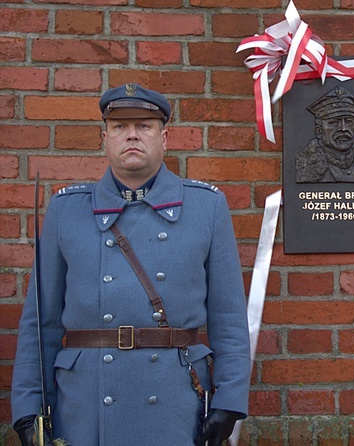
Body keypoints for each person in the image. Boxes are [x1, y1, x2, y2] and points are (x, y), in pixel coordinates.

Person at [11, 83, 251, 445]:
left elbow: (229, 318)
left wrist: (229, 400)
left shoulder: (207, 208)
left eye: (144, 126)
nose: (132, 136)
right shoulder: (66, 211)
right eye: (120, 127)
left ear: (164, 137)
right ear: (104, 137)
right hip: (85, 406)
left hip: (174, 404)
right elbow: (39, 323)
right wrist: (29, 408)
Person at [295, 86, 354, 183]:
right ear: (319, 131)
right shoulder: (306, 164)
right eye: (334, 123)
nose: (343, 129)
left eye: (348, 121)